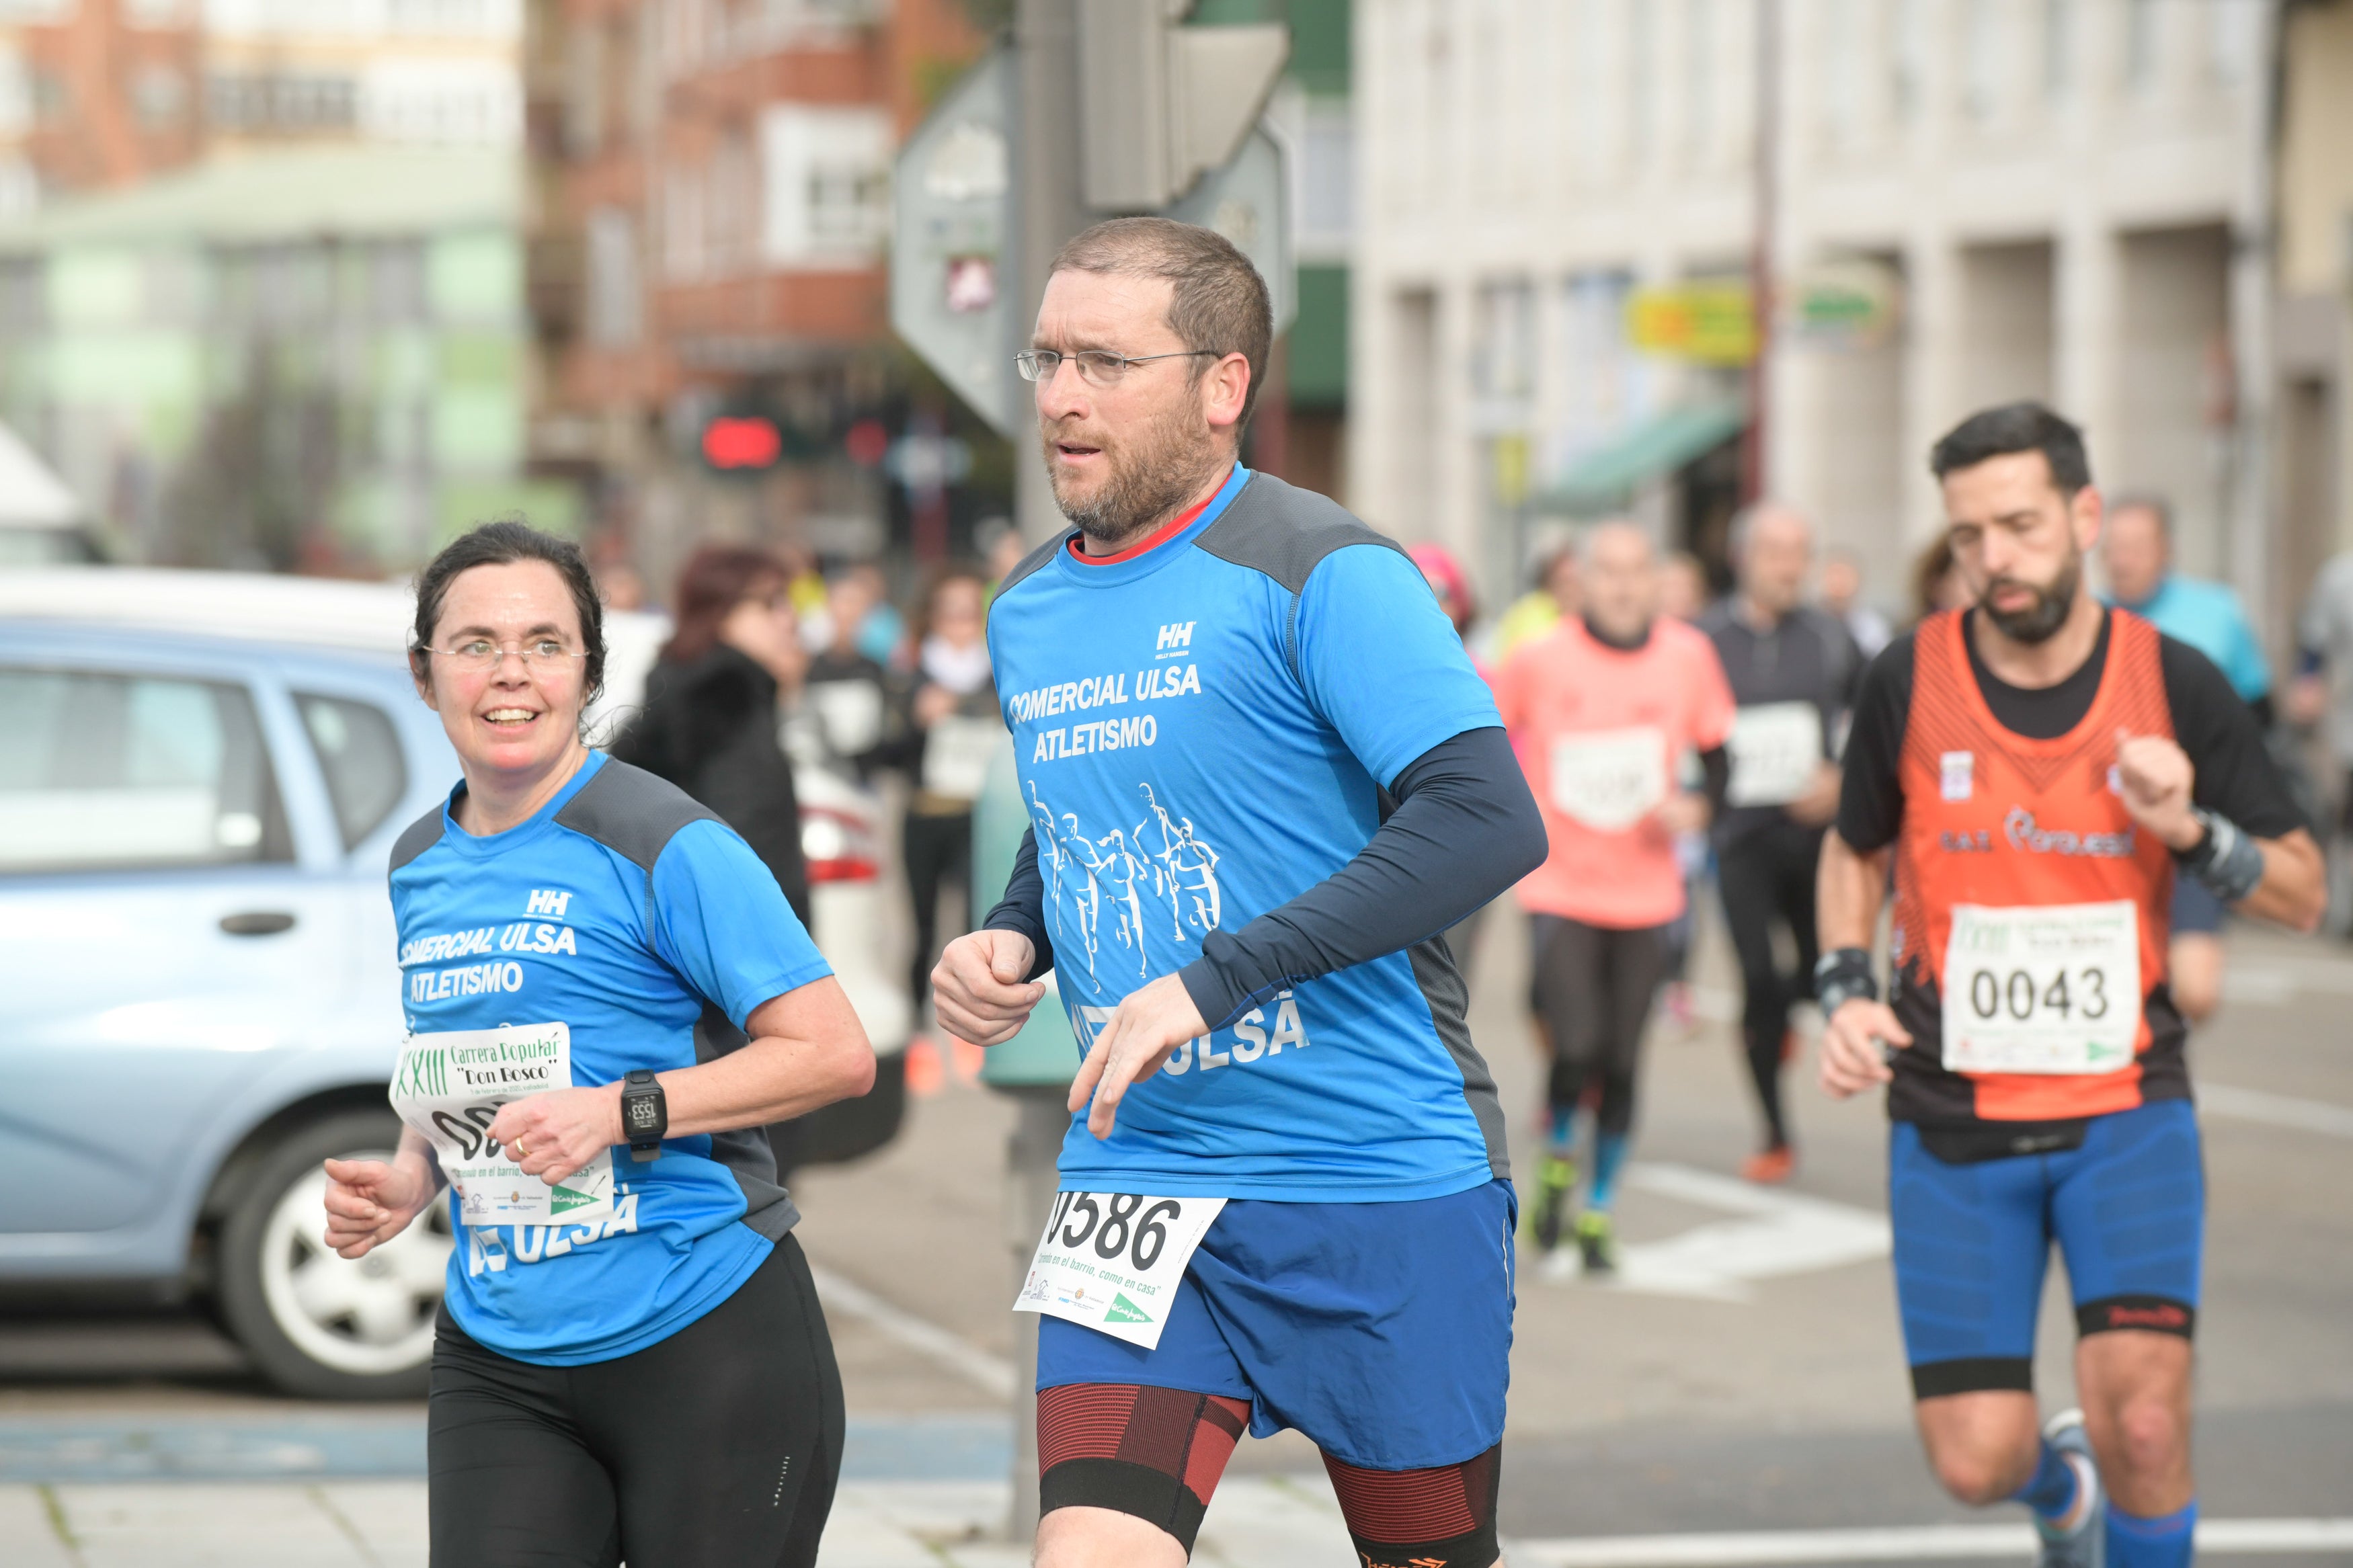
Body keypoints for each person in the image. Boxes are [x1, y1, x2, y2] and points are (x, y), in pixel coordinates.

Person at [930, 216, 1544, 1568]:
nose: (1060, 394)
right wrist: (1010, 932)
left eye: (1104, 358)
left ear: (1223, 385)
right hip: (1141, 1176)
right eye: (1046, 355)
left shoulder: (1322, 569)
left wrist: (1216, 977)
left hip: (1375, 1173)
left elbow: (1486, 819)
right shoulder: (1029, 605)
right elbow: (1081, 816)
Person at [1816, 403, 2322, 1568]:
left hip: (2124, 1110)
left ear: (2085, 517)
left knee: (2146, 1418)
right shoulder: (1909, 677)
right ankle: (2060, 1488)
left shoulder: (2174, 681)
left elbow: (2301, 890)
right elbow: (1855, 846)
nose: (1996, 556)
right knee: (1974, 1460)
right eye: (1969, 534)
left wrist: (2189, 826)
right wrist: (1846, 986)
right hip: (1952, 1114)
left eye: (2022, 523)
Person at [323, 521, 876, 1568]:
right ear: (423, 671)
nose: (510, 673)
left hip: (702, 1330)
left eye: (545, 643)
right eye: (475, 643)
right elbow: (470, 1058)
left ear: (588, 671)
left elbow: (833, 1053)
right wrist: (413, 1176)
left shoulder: (667, 840)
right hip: (500, 1350)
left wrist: (618, 1112)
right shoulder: (418, 861)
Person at [1494, 522, 1734, 1276]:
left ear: (1656, 579)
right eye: (1609, 571)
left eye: (1638, 571)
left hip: (1648, 891)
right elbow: (1477, 737)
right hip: (1558, 884)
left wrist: (1699, 810)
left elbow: (1721, 758)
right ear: (1581, 581)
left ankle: (1595, 1209)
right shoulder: (1538, 658)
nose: (1624, 586)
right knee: (1576, 1046)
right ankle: (1560, 1152)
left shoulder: (1687, 657)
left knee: (1624, 1062)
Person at [1698, 503, 1862, 1182]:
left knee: (1818, 975)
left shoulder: (1833, 637)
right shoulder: (1702, 638)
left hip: (1815, 837)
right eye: (1773, 551)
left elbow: (1877, 722)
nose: (1788, 566)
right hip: (1740, 839)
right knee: (1758, 980)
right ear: (1743, 556)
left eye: (1798, 552)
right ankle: (1774, 1130)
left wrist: (1843, 780)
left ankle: (1783, 1021)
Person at [2100, 497, 2274, 1024]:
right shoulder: (2087, 619)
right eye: (2113, 549)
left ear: (2165, 551)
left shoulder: (2216, 611)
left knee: (2196, 988)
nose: (2122, 560)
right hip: (2107, 826)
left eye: (2136, 547)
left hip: (2190, 822)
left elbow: (2260, 707)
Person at [611, 544, 811, 925]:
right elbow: (746, 835)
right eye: (771, 603)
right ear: (721, 611)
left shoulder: (703, 687)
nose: (789, 618)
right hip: (738, 941)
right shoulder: (718, 695)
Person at [891, 567, 1002, 1022]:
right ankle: (917, 1022)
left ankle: (976, 1021)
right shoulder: (909, 673)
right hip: (925, 812)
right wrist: (916, 720)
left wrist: (965, 706)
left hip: (979, 818)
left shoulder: (999, 667)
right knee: (922, 925)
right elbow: (887, 751)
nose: (959, 622)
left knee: (979, 923)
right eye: (949, 611)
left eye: (968, 611)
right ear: (932, 617)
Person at [1823, 545, 1892, 658]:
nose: (1839, 583)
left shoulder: (1873, 627)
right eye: (1834, 575)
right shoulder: (1811, 625)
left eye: (1846, 576)